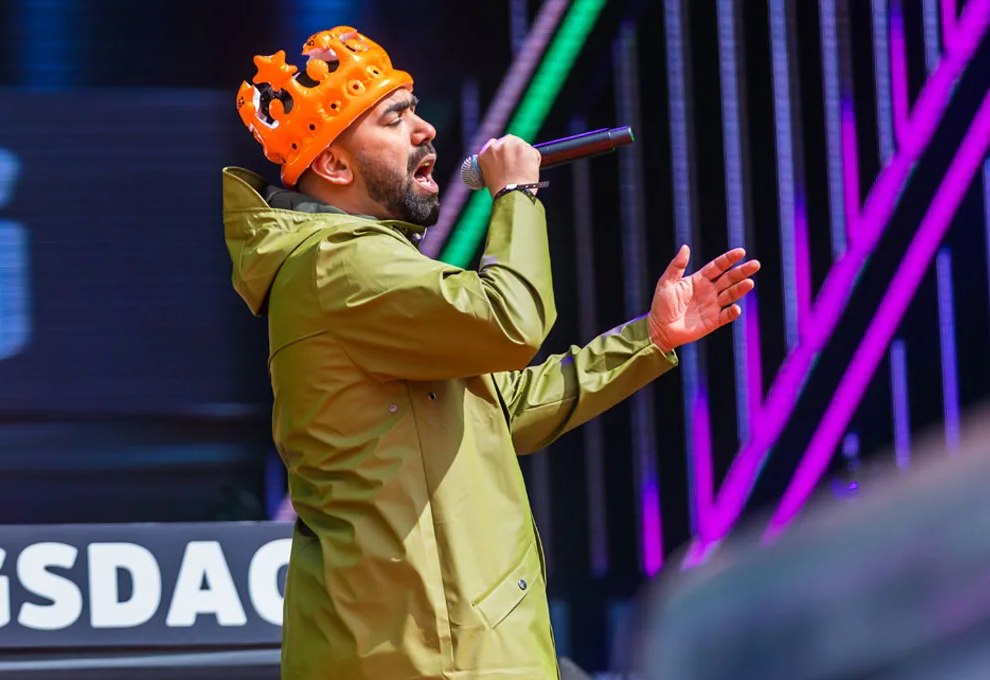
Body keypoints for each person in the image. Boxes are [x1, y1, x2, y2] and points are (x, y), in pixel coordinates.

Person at [224, 27, 759, 680]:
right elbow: (513, 322)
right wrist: (516, 196)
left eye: (417, 109)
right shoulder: (338, 265)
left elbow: (498, 409)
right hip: (425, 657)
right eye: (397, 119)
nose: (427, 132)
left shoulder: (361, 269)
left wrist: (649, 340)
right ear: (334, 166)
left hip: (461, 650)